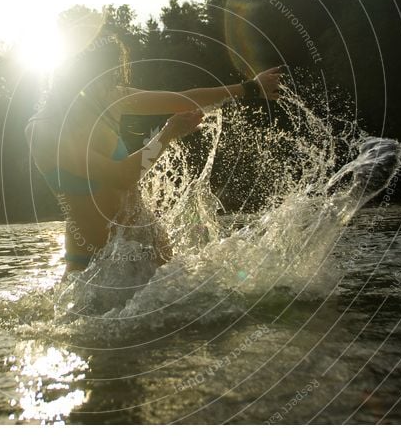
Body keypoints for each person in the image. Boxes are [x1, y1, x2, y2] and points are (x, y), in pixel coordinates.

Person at [25, 32, 284, 276]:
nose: (108, 84)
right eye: (100, 76)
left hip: (150, 246)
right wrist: (167, 134)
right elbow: (122, 176)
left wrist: (249, 87)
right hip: (93, 265)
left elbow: (183, 100)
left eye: (109, 75)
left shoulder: (109, 99)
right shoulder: (43, 132)